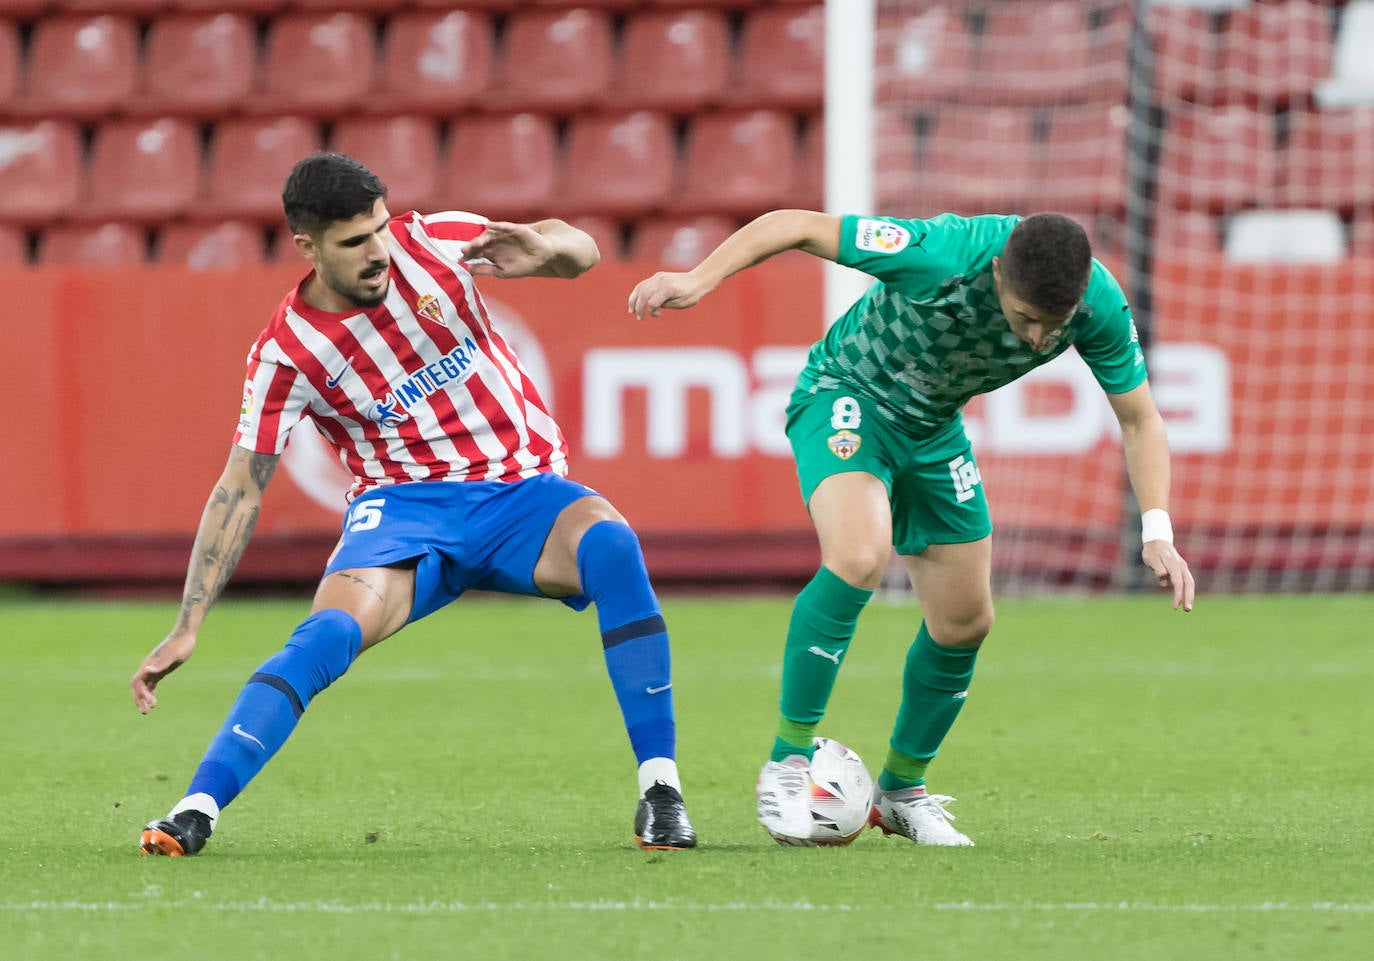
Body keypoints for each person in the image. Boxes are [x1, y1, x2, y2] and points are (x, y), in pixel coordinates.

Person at [132, 152, 696, 855]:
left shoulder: (432, 239)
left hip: (520, 494)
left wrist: (551, 246)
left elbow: (579, 254)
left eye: (377, 229)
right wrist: (189, 623)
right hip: (405, 512)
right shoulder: (286, 353)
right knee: (327, 635)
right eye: (354, 242)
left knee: (612, 544)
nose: (378, 252)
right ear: (306, 246)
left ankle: (661, 790)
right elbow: (240, 487)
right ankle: (197, 807)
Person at [628, 209, 1194, 847]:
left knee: (965, 621)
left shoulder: (1098, 305)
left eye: (1051, 325)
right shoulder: (942, 253)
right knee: (859, 554)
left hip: (933, 430)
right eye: (1025, 317)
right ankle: (789, 762)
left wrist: (1157, 530)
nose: (1038, 338)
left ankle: (900, 793)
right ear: (1001, 271)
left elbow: (1141, 420)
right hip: (847, 394)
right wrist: (700, 279)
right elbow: (797, 225)